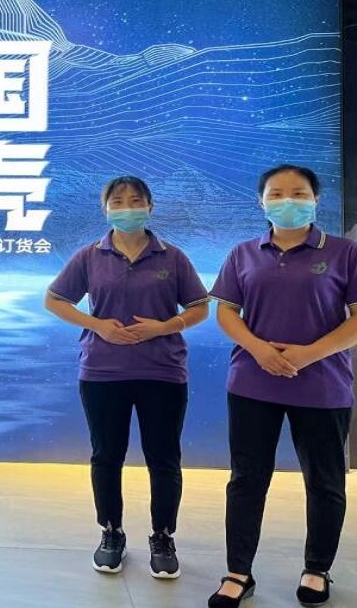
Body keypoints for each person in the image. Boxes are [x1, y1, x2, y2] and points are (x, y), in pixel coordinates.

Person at [207, 165, 357, 608]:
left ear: (315, 199)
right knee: (247, 480)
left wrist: (308, 354)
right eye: (276, 193)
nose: (287, 200)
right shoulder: (243, 253)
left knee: (325, 481)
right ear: (261, 201)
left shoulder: (344, 252)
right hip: (253, 382)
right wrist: (259, 350)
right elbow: (226, 312)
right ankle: (238, 573)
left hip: (323, 386)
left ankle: (317, 569)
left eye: (299, 192)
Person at [45, 176, 209, 579]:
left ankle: (163, 536)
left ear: (150, 207)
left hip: (163, 372)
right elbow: (55, 300)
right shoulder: (90, 256)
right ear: (105, 209)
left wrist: (164, 326)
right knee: (106, 456)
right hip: (103, 372)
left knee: (164, 458)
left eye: (136, 201)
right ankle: (111, 532)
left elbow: (199, 307)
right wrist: (97, 325)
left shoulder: (172, 257)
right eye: (117, 202)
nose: (127, 208)